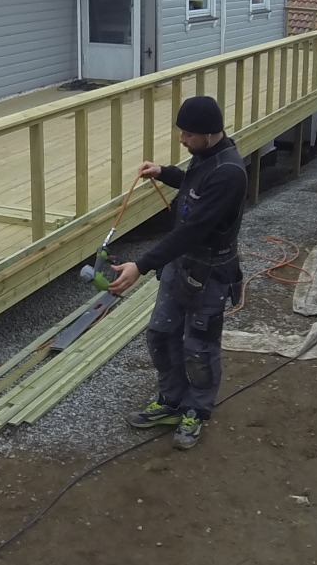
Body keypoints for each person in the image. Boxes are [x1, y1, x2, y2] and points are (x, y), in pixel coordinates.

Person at [104, 94, 248, 450]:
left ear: (209, 133)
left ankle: (196, 411)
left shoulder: (229, 172)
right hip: (181, 265)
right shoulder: (205, 157)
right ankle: (171, 402)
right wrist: (166, 173)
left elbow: (191, 230)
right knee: (160, 334)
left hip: (210, 270)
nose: (182, 140)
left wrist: (140, 265)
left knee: (198, 347)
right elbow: (194, 187)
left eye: (187, 134)